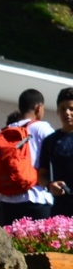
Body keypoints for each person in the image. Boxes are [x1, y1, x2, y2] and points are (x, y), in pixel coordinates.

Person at [0, 89, 54, 225]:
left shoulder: (5, 132)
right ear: (39, 108)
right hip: (36, 198)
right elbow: (57, 153)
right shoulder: (42, 128)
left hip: (7, 202)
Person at [39, 88, 73, 218]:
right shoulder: (50, 141)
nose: (67, 113)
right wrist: (49, 185)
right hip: (60, 208)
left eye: (71, 109)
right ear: (58, 111)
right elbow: (42, 174)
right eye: (63, 109)